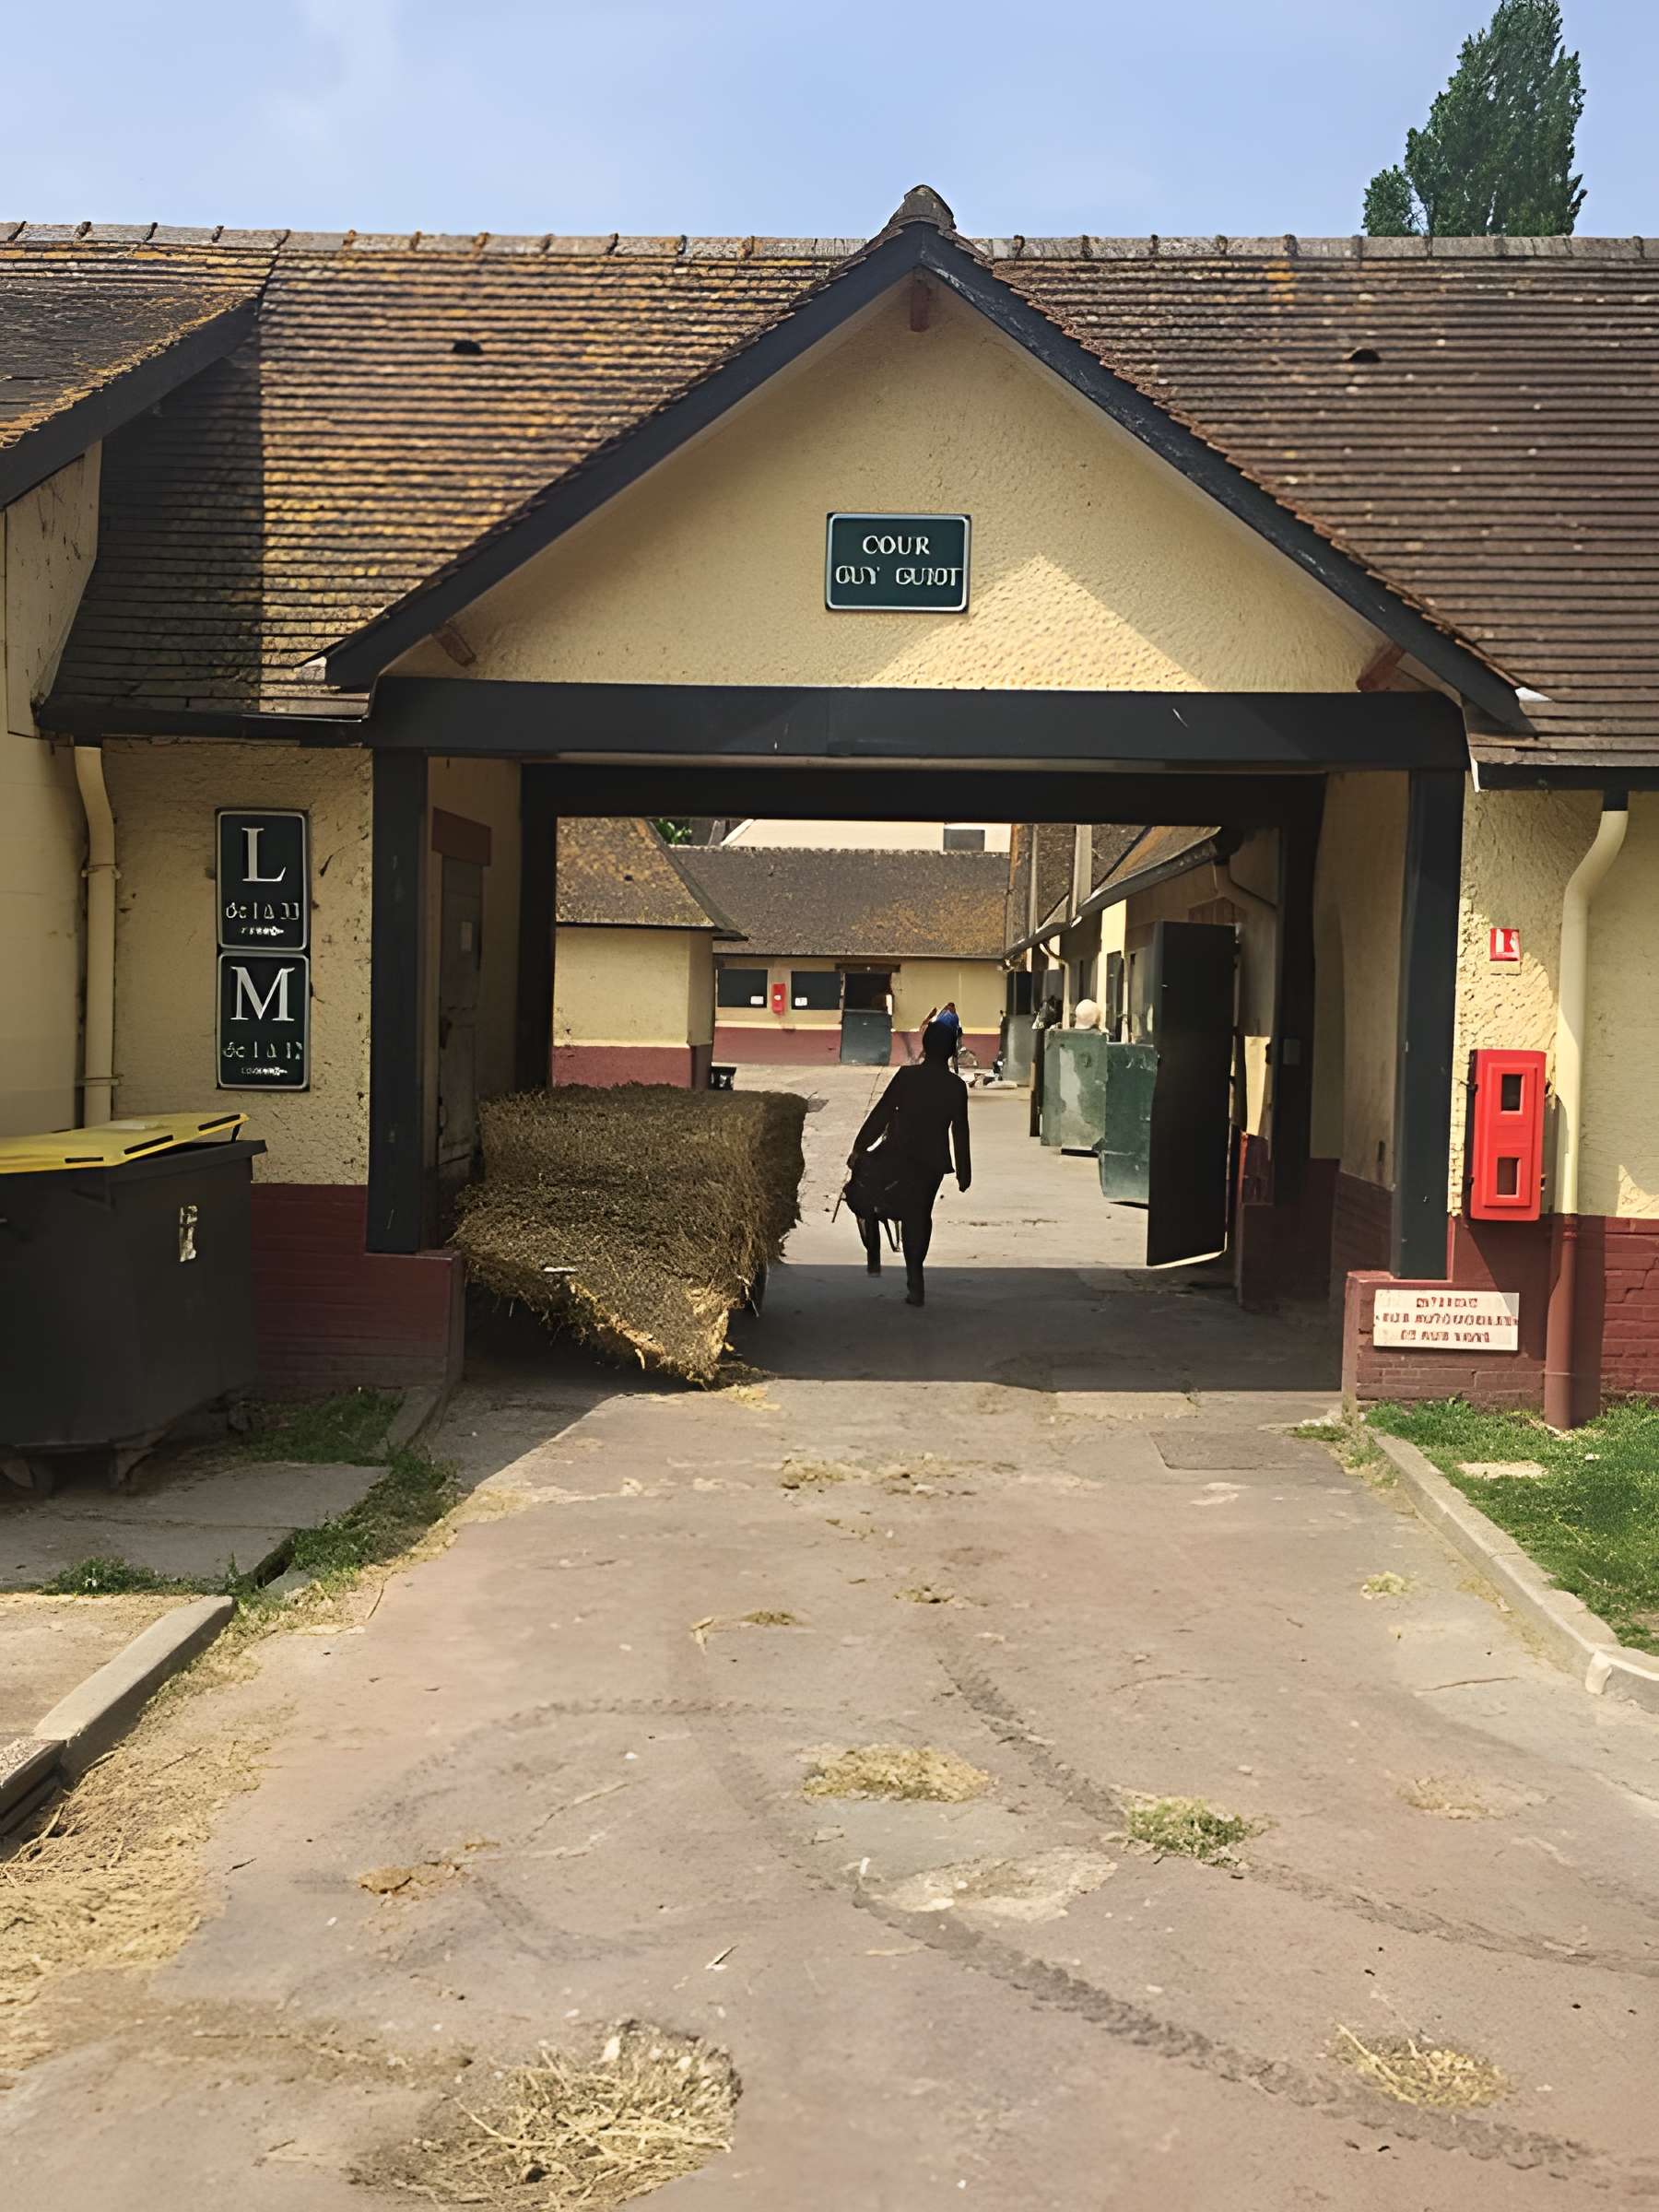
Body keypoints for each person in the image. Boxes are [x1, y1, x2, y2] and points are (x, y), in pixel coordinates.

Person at [845, 1019, 971, 1307]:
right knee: (919, 1215)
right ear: (952, 1051)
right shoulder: (955, 1086)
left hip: (897, 1155)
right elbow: (960, 1131)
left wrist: (859, 1147)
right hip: (932, 1164)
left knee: (864, 1194)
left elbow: (881, 1114)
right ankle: (916, 1280)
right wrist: (964, 1172)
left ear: (925, 1046)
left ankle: (880, 1252)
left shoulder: (906, 1077)